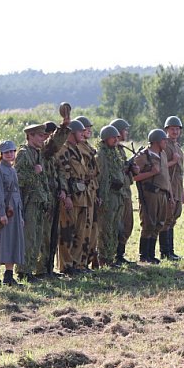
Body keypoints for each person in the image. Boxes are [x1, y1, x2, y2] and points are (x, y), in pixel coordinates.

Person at [14, 108, 71, 282]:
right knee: (30, 237)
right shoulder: (24, 153)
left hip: (40, 201)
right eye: (40, 135)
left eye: (43, 135)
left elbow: (45, 178)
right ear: (30, 136)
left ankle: (32, 270)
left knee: (38, 238)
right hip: (30, 201)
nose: (43, 138)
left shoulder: (38, 153)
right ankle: (24, 271)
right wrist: (34, 171)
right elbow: (18, 178)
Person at [57, 120, 95, 274]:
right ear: (72, 133)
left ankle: (77, 264)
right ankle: (66, 265)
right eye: (80, 132)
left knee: (80, 231)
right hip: (71, 195)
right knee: (67, 232)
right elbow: (62, 174)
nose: (83, 134)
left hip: (82, 194)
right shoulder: (63, 149)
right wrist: (66, 196)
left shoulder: (78, 149)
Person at [0, 141, 25, 286]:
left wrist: (20, 215)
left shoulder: (12, 169)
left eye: (12, 151)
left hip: (15, 211)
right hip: (7, 211)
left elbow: (17, 193)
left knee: (14, 242)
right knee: (3, 243)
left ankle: (9, 276)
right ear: (1, 154)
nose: (10, 154)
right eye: (7, 152)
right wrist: (2, 213)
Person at [133, 129, 173, 264]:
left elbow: (166, 177)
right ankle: (144, 255)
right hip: (149, 195)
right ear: (156, 141)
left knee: (158, 224)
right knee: (148, 224)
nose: (166, 143)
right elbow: (134, 177)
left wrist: (170, 195)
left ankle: (151, 254)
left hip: (163, 194)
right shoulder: (143, 156)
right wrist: (151, 173)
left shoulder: (163, 155)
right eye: (164, 140)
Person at [96, 125, 126, 267]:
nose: (116, 139)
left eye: (117, 137)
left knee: (114, 227)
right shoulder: (101, 154)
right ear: (106, 138)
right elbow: (101, 176)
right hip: (107, 195)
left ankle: (110, 256)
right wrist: (101, 196)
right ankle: (104, 258)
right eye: (113, 137)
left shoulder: (115, 153)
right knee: (106, 228)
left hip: (117, 195)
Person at [110, 118, 139, 265]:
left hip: (126, 191)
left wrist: (132, 170)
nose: (126, 133)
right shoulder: (111, 151)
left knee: (128, 224)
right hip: (117, 193)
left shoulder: (120, 149)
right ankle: (114, 255)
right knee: (118, 225)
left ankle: (120, 254)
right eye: (124, 130)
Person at [74, 115, 100, 268]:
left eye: (90, 128)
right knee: (83, 229)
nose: (89, 131)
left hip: (91, 190)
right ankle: (80, 263)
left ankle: (87, 259)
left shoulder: (87, 146)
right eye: (85, 129)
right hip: (83, 191)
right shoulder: (78, 147)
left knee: (92, 229)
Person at [160, 116, 184, 260]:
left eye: (177, 129)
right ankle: (165, 252)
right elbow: (161, 167)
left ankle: (171, 250)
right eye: (172, 129)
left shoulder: (177, 147)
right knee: (167, 218)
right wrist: (173, 161)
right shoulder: (165, 146)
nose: (175, 131)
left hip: (177, 188)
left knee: (174, 218)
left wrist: (181, 192)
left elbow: (181, 173)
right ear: (167, 130)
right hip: (167, 187)